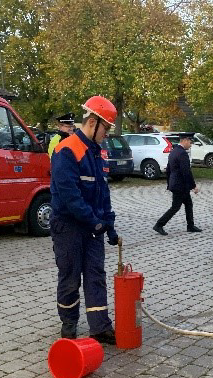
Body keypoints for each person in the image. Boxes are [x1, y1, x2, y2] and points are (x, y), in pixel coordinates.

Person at [50, 96, 119, 344]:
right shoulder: (66, 150)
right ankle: (68, 326)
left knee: (95, 275)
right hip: (68, 226)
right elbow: (70, 197)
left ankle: (100, 327)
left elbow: (103, 193)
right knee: (70, 277)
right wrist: (95, 222)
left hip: (93, 226)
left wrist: (109, 225)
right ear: (93, 122)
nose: (107, 134)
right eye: (106, 128)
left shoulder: (96, 153)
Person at [153, 132, 202, 235]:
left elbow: (168, 169)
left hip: (177, 184)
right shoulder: (182, 153)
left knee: (188, 204)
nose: (191, 144)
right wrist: (193, 186)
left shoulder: (174, 151)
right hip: (180, 185)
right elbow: (186, 171)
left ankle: (190, 225)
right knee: (175, 207)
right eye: (190, 142)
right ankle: (159, 225)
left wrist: (169, 183)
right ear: (184, 141)